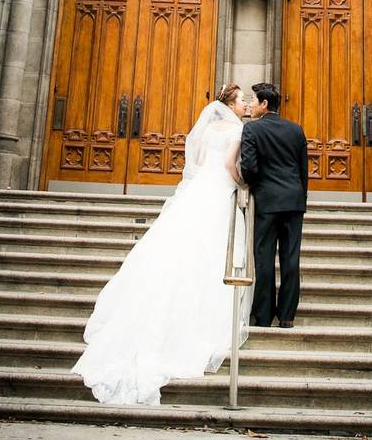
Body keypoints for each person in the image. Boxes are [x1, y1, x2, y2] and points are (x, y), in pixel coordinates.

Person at [72, 84, 251, 405]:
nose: (245, 105)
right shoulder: (236, 129)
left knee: (179, 249)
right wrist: (242, 184)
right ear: (231, 104)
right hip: (219, 190)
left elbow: (195, 162)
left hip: (199, 191)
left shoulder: (207, 126)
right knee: (208, 253)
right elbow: (229, 166)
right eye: (241, 100)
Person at [239, 83, 309, 328]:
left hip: (267, 203)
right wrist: (301, 200)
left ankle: (264, 315)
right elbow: (302, 171)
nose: (252, 106)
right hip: (293, 202)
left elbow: (248, 167)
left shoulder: (252, 130)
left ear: (264, 104)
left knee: (264, 259)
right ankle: (287, 316)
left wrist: (256, 186)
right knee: (291, 259)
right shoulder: (296, 130)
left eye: (254, 101)